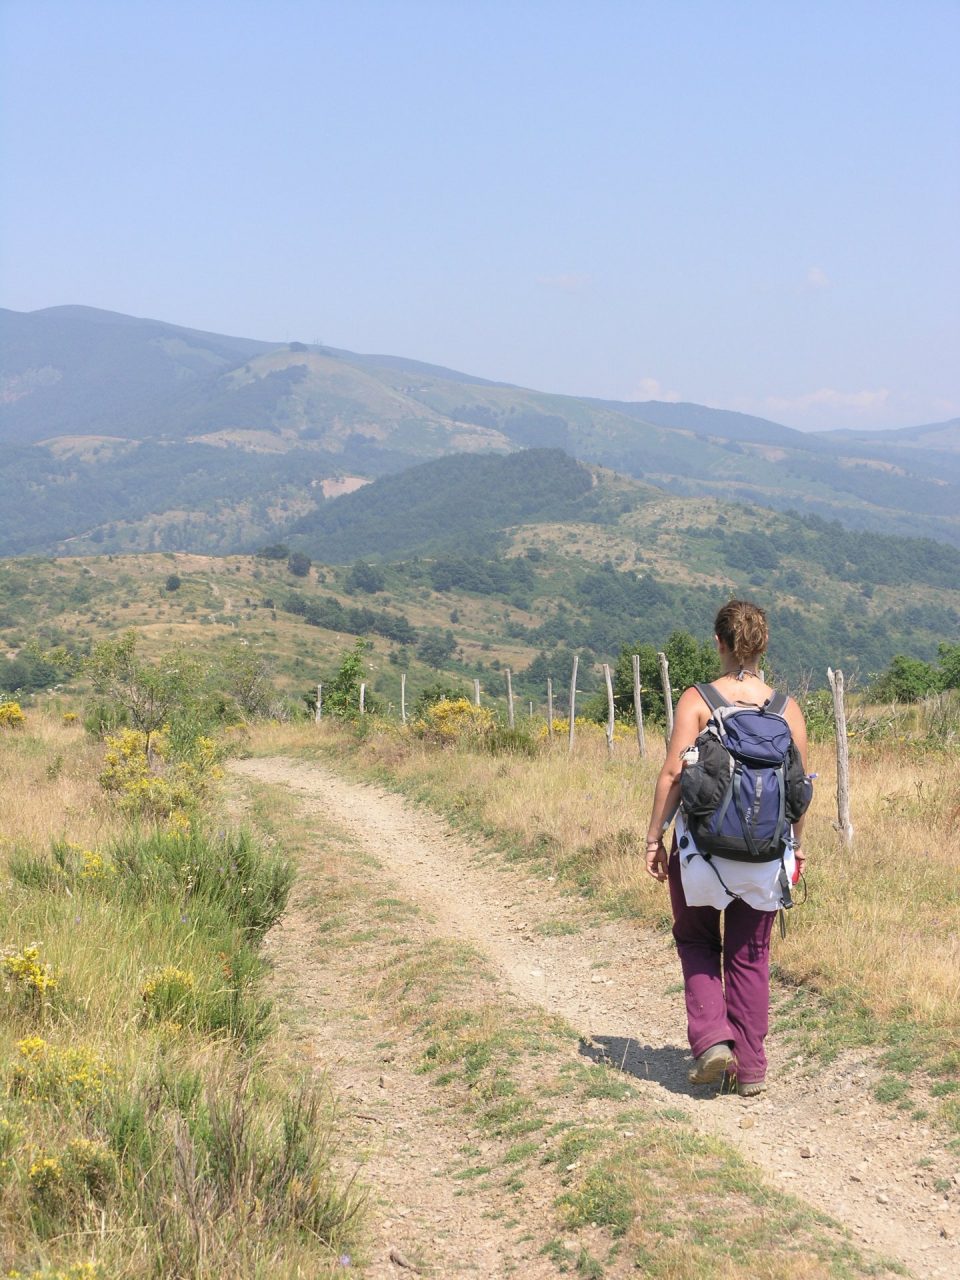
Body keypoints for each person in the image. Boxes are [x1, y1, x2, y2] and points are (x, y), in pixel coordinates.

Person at [644, 600, 809, 1096]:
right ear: (763, 646)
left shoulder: (698, 700)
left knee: (696, 941)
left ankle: (713, 1039)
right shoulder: (787, 709)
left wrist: (654, 837)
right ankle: (751, 1069)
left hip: (701, 854)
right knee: (750, 955)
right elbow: (798, 791)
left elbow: (673, 774)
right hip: (765, 858)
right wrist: (797, 849)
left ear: (719, 642)